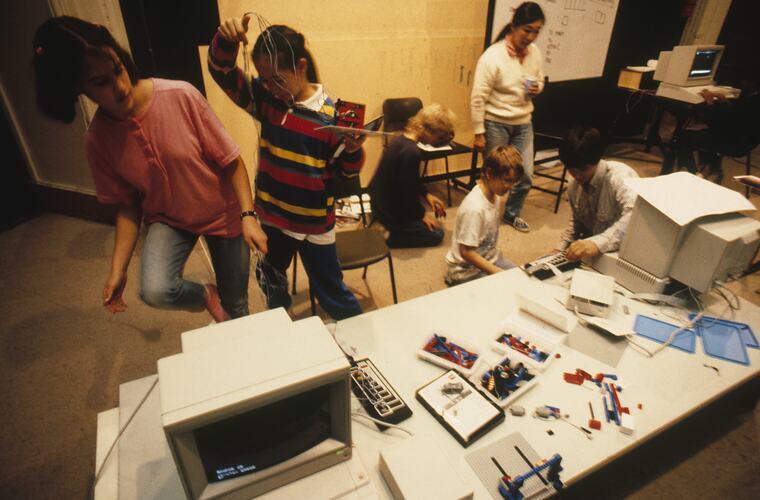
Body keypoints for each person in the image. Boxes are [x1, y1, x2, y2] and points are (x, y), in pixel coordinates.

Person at [32, 16, 267, 322]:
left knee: (236, 309)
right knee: (155, 290)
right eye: (100, 82)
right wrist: (118, 270)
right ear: (77, 88)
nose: (120, 87)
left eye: (118, 69)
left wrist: (248, 216)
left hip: (224, 213)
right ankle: (206, 294)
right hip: (169, 219)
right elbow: (129, 205)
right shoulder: (96, 140)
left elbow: (232, 162)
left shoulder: (180, 95)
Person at [208, 14, 367, 320]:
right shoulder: (267, 101)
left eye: (277, 79)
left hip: (314, 224)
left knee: (332, 290)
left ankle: (357, 336)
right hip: (272, 219)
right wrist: (226, 39)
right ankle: (280, 324)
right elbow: (222, 71)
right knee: (270, 279)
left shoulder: (333, 117)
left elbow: (348, 175)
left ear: (301, 67)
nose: (271, 87)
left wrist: (353, 149)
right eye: (264, 79)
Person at [471, 1, 545, 233]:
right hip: (495, 123)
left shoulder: (534, 53)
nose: (531, 36)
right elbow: (477, 97)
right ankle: (486, 218)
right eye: (527, 29)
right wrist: (478, 132)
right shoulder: (492, 57)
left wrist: (538, 88)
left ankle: (511, 215)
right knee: (494, 177)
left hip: (523, 122)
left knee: (525, 176)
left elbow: (540, 78)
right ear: (514, 26)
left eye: (536, 31)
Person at [368, 104, 455, 248]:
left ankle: (387, 226)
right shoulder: (412, 152)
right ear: (428, 130)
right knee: (437, 235)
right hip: (389, 211)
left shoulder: (400, 140)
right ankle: (386, 238)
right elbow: (406, 193)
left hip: (379, 203)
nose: (437, 142)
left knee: (431, 225)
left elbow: (409, 179)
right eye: (439, 137)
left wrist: (426, 195)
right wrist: (421, 215)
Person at [558, 126, 639, 262]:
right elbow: (577, 220)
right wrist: (560, 248)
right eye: (571, 169)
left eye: (583, 169)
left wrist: (599, 242)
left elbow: (635, 216)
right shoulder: (573, 185)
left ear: (597, 159)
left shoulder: (621, 177)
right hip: (597, 252)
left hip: (623, 251)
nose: (577, 175)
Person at [445, 146, 523, 286]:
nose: (511, 186)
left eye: (514, 181)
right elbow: (466, 252)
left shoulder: (495, 193)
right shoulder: (474, 209)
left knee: (521, 279)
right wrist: (495, 271)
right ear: (489, 173)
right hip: (465, 270)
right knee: (506, 292)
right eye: (507, 180)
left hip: (489, 257)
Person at [663, 77, 760, 183]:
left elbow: (718, 123)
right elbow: (738, 115)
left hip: (735, 142)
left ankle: (693, 177)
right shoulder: (754, 99)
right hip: (743, 140)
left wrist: (709, 103)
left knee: (683, 137)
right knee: (704, 134)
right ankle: (714, 171)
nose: (742, 82)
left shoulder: (754, 102)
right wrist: (725, 102)